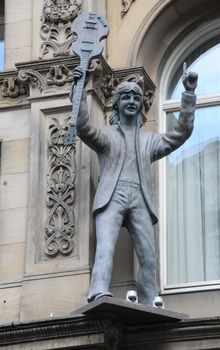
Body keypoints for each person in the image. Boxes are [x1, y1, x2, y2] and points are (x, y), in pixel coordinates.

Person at [71, 64, 198, 306]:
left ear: (141, 105)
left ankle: (149, 297)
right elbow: (83, 127)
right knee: (106, 247)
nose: (131, 101)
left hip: (140, 197)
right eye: (126, 97)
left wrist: (188, 94)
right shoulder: (106, 135)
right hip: (112, 196)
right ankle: (98, 290)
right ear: (117, 103)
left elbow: (181, 133)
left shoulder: (150, 140)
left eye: (136, 97)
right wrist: (78, 88)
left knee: (148, 255)